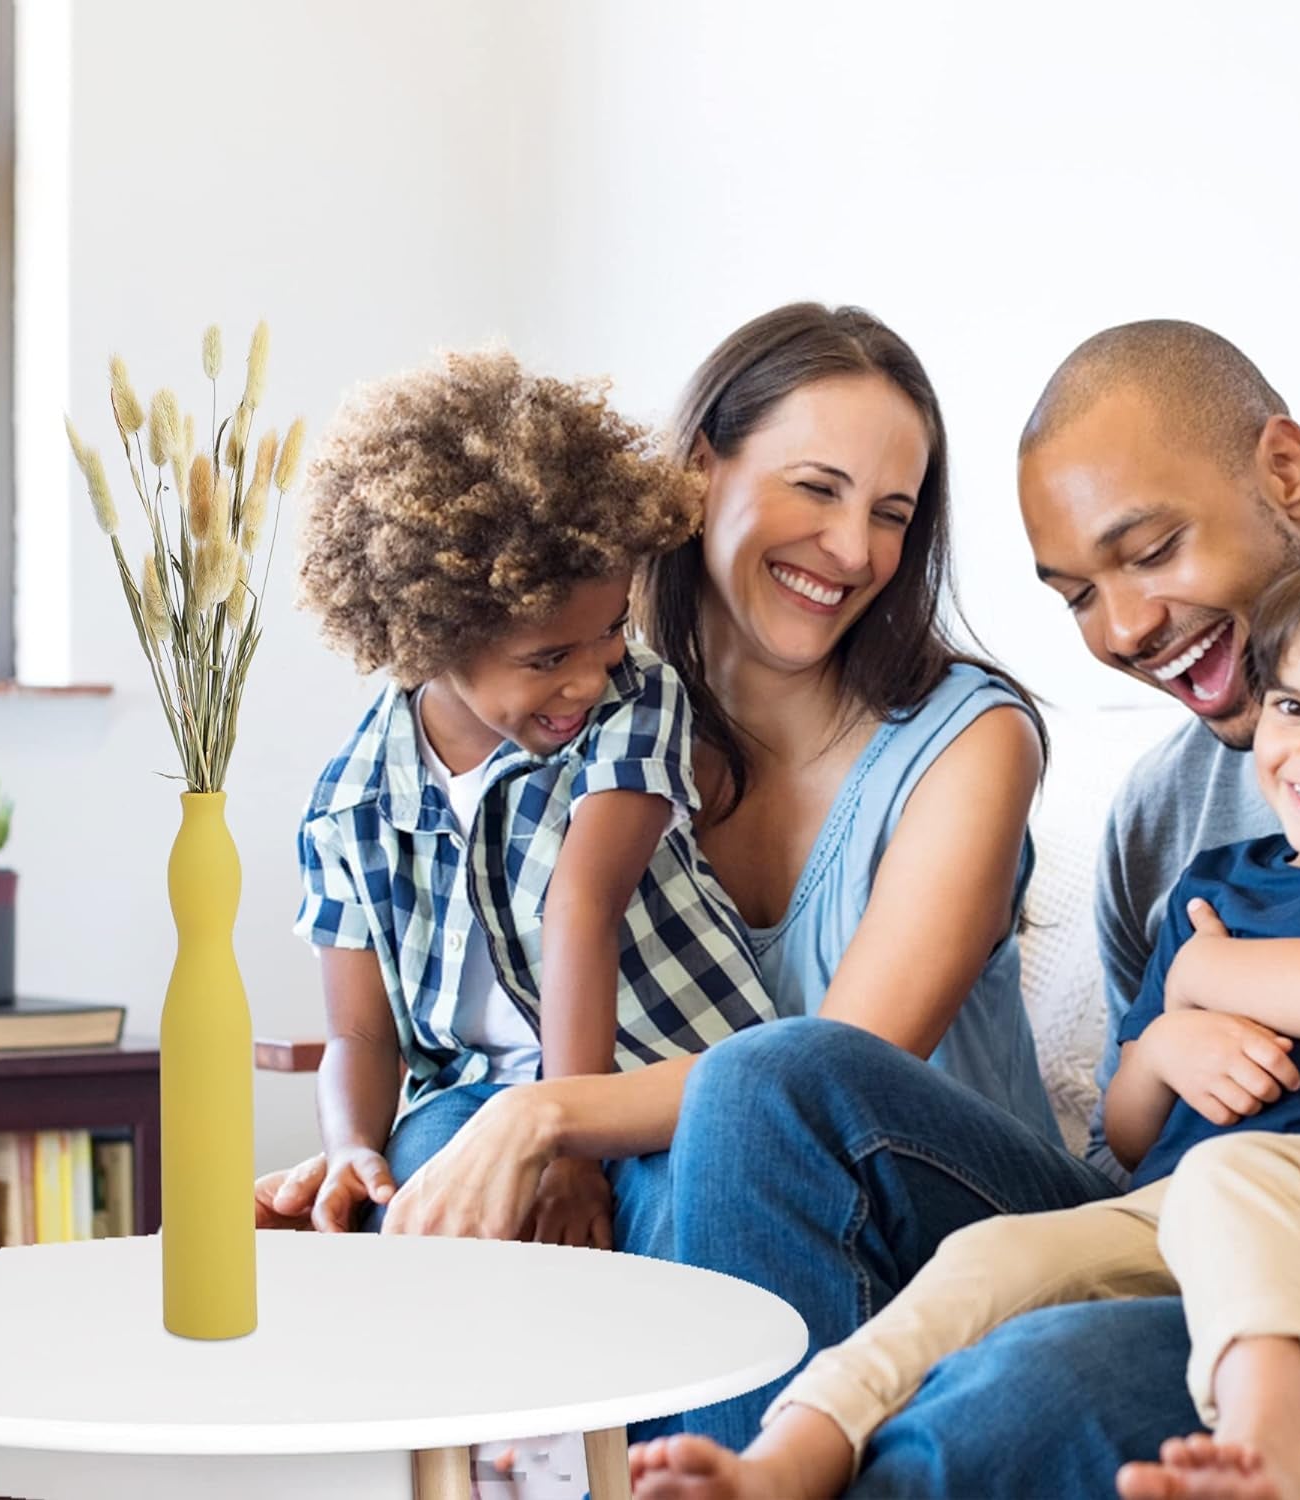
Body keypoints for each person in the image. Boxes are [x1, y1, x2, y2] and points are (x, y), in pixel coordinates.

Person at [631, 321, 1300, 1495]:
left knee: (1034, 1382)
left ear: (1282, 471)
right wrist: (1166, 1037)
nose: (1125, 629)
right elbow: (1133, 1146)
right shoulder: (1164, 816)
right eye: (1080, 593)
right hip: (1176, 1219)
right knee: (765, 1078)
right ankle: (755, 1464)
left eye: (1153, 549)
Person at [257, 304, 1056, 1274]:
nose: (853, 550)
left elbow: (823, 1081)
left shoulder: (969, 742)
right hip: (706, 1181)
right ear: (701, 470)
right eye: (817, 488)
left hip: (936, 1224)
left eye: (892, 514)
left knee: (727, 1145)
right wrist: (376, 1166)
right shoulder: (571, 712)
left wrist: (547, 1113)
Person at [288, 347, 774, 1242]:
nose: (589, 678)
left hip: (654, 1075)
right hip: (475, 1092)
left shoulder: (636, 699)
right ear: (430, 640)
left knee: (680, 1219)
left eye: (609, 632)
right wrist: (354, 1144)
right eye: (550, 658)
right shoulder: (351, 805)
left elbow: (579, 908)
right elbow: (359, 1035)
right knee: (415, 1213)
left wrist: (572, 1153)